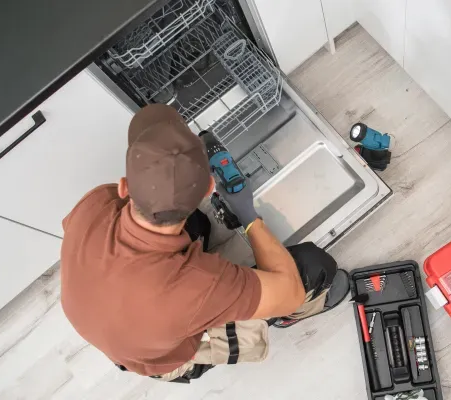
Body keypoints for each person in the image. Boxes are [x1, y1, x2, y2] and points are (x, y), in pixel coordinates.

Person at [60, 104, 350, 383]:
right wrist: (248, 215)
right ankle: (282, 320)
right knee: (312, 268)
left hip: (115, 323)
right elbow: (290, 292)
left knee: (196, 225)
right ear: (210, 188)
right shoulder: (199, 285)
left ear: (124, 187)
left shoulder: (95, 203)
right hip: (160, 358)